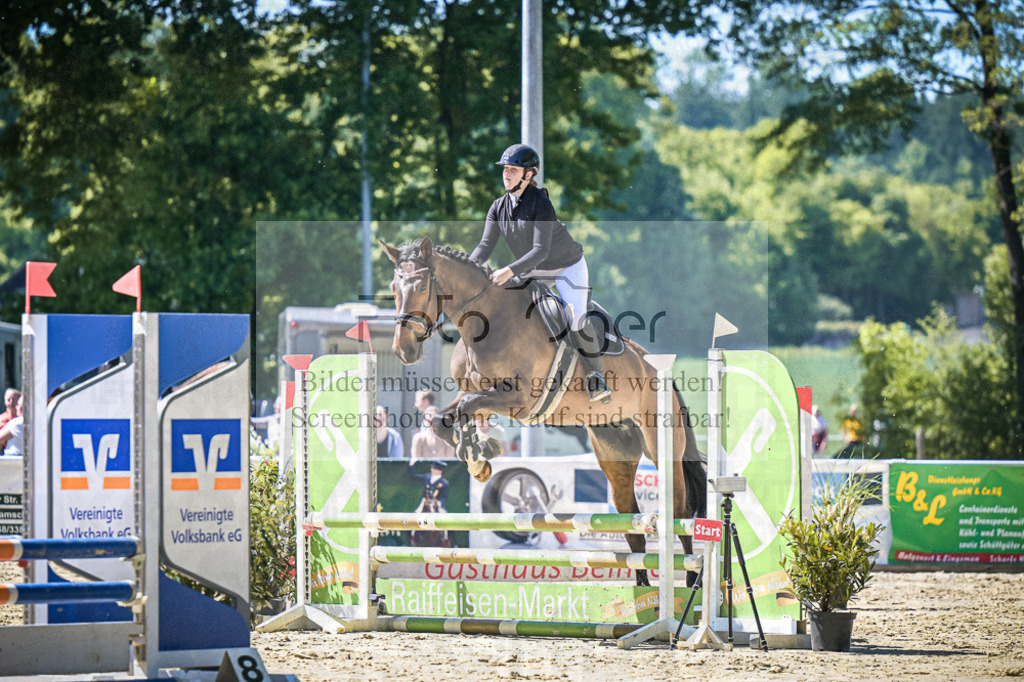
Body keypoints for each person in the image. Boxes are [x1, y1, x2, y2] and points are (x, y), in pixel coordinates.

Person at [469, 143, 611, 403]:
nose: (506, 175)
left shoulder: (541, 203)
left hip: (566, 266)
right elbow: (485, 246)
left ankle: (596, 378)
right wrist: (468, 268)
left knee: (575, 316)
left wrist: (509, 270)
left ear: (529, 175)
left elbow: (540, 251)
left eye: (513, 170)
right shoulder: (498, 207)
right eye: (505, 170)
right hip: (533, 270)